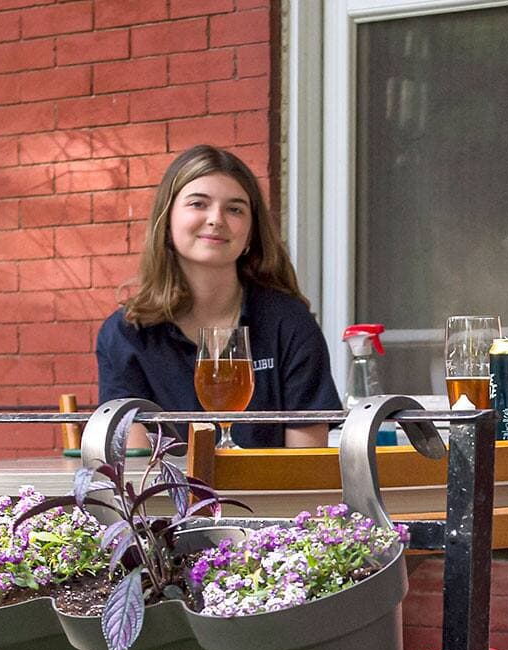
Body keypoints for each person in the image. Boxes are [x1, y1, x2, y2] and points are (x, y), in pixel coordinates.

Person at [96, 145, 340, 448]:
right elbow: (133, 470)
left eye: (235, 209)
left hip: (271, 496)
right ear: (167, 219)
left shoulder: (288, 323)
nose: (216, 219)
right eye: (198, 204)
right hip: (165, 496)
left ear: (251, 232)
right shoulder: (127, 333)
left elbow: (307, 465)